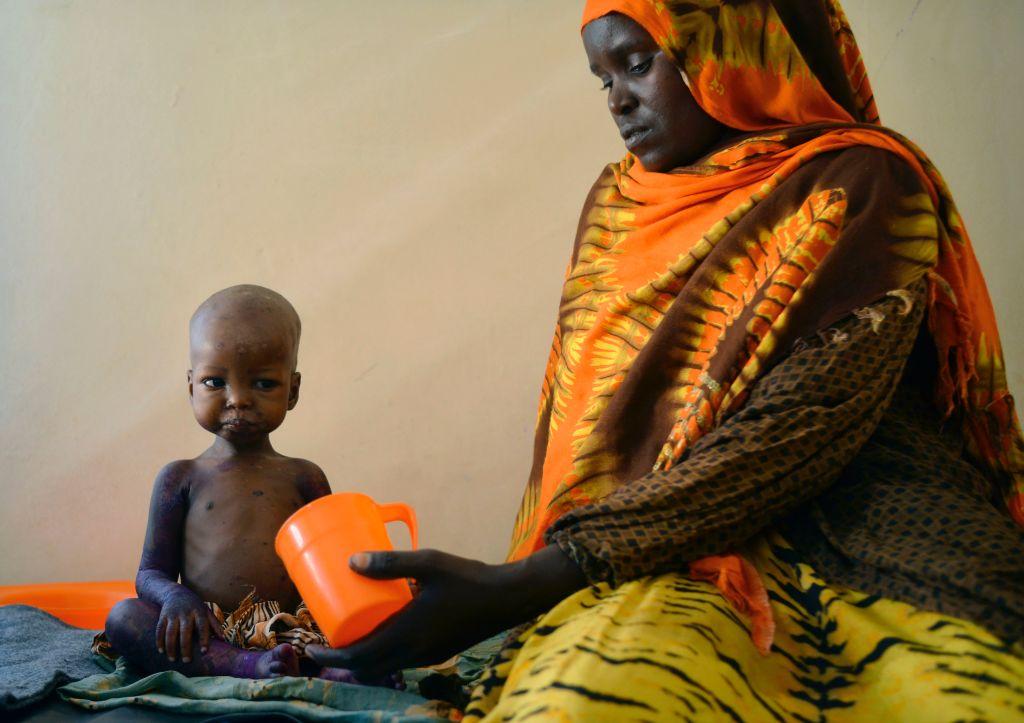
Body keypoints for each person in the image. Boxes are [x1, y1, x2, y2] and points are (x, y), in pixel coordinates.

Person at [311, 1, 1024, 718]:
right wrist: (532, 580)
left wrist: (530, 581)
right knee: (593, 697)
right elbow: (582, 434)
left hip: (863, 522)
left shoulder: (860, 181)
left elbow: (799, 428)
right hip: (641, 548)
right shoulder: (618, 203)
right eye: (602, 77)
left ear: (733, 40)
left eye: (639, 62)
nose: (618, 99)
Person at [100, 285, 386, 683]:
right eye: (215, 382)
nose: (238, 399)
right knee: (124, 618)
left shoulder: (304, 476)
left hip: (292, 628)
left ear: (293, 390)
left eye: (264, 384)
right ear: (190, 386)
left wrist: (380, 585)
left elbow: (333, 570)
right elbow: (150, 573)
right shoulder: (180, 477)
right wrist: (175, 596)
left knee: (378, 618)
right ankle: (241, 665)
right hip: (207, 631)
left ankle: (334, 669)